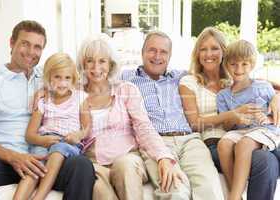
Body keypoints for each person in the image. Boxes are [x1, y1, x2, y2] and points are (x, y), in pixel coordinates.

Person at [0, 20, 95, 200]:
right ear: (11, 43)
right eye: (25, 44)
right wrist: (13, 157)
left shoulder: (48, 75)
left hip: (46, 158)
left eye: (37, 47)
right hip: (7, 161)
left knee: (82, 165)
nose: (31, 52)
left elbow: (75, 83)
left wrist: (44, 89)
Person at [78, 35, 190, 200]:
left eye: (102, 61)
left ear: (111, 64)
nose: (96, 67)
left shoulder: (126, 90)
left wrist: (164, 157)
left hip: (128, 157)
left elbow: (144, 128)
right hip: (94, 163)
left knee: (125, 165)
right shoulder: (75, 94)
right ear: (82, 63)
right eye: (90, 61)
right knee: (92, 179)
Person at [179, 27, 280, 200]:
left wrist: (277, 97)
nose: (208, 54)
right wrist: (233, 114)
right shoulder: (189, 81)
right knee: (265, 161)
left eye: (214, 48)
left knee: (267, 157)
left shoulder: (235, 77)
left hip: (250, 133)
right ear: (197, 53)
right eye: (203, 49)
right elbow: (195, 123)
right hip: (216, 141)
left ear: (225, 53)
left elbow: (267, 87)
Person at [121, 31, 224, 200]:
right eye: (152, 50)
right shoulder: (126, 78)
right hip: (156, 143)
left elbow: (241, 79)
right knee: (175, 190)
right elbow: (92, 80)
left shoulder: (181, 77)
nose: (157, 56)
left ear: (170, 56)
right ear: (142, 52)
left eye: (163, 52)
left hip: (190, 140)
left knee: (208, 187)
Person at [13, 53, 91, 199]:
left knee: (57, 150)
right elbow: (29, 135)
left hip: (67, 143)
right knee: (34, 165)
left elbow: (87, 128)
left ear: (73, 79)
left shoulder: (80, 98)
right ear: (49, 78)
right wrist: (43, 141)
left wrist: (78, 136)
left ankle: (39, 197)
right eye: (57, 77)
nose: (62, 83)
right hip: (44, 141)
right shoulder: (43, 101)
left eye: (67, 78)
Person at [217, 40, 280, 200]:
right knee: (223, 144)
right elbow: (227, 126)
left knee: (244, 144)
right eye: (233, 64)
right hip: (241, 131)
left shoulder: (263, 87)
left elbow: (276, 116)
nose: (238, 69)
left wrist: (267, 117)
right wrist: (236, 117)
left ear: (252, 65)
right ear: (226, 65)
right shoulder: (223, 95)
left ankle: (233, 197)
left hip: (265, 130)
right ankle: (237, 194)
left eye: (244, 64)